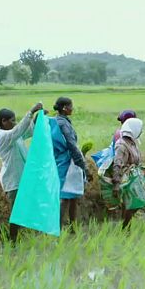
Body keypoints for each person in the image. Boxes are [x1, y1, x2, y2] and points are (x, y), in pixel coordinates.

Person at [0, 102, 43, 242]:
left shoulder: (14, 135)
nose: (15, 123)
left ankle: (21, 237)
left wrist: (36, 119)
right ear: (3, 122)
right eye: (12, 120)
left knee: (24, 209)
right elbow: (19, 130)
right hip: (13, 179)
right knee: (16, 212)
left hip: (22, 177)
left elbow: (27, 131)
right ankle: (13, 240)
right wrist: (31, 111)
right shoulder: (2, 136)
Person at [100, 118, 145, 229]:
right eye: (140, 129)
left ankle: (126, 226)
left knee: (136, 203)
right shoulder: (122, 145)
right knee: (133, 204)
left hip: (133, 179)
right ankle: (125, 227)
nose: (141, 132)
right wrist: (116, 183)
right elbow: (117, 164)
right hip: (125, 180)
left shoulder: (132, 143)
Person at [49, 97, 90, 232]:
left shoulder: (54, 121)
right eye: (71, 106)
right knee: (65, 198)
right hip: (68, 163)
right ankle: (59, 229)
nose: (72, 108)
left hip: (60, 160)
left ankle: (71, 228)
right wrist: (83, 165)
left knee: (72, 197)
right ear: (65, 108)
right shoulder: (64, 124)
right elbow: (72, 145)